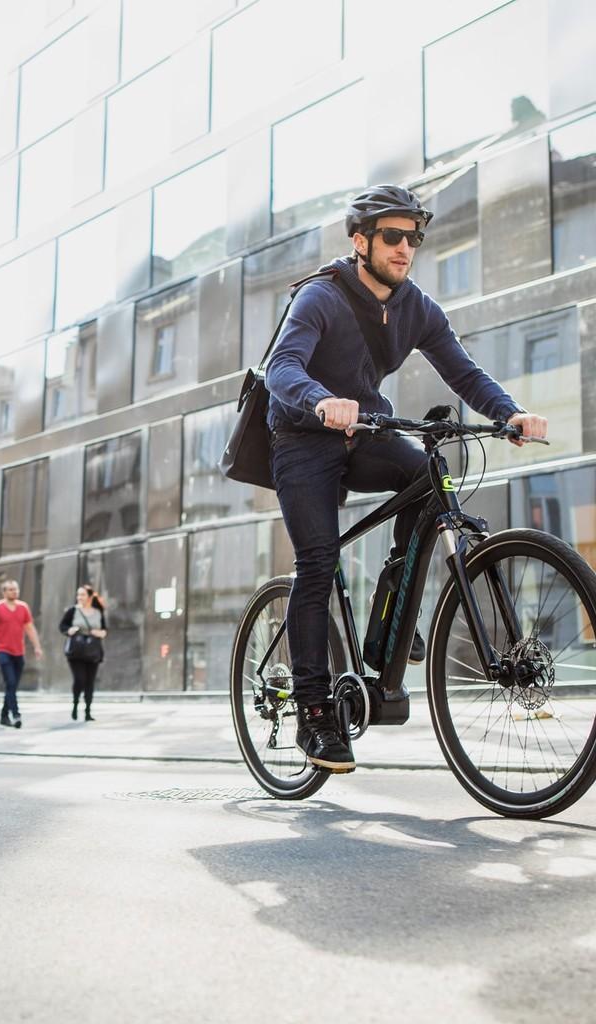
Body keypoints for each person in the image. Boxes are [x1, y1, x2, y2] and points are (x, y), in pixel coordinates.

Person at [265, 183, 547, 774]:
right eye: (392, 236)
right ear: (361, 240)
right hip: (303, 438)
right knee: (316, 563)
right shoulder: (320, 296)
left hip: (364, 431)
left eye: (413, 238)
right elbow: (281, 368)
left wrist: (508, 414)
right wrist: (321, 400)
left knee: (429, 480)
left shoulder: (416, 306)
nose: (405, 248)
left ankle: (388, 621)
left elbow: (462, 371)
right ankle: (314, 714)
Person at [0, 580, 42, 728]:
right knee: (10, 682)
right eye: (10, 590)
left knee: (12, 686)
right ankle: (16, 714)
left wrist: (37, 647)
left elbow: (29, 628)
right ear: (4, 592)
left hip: (18, 652)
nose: (13, 592)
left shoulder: (23, 608)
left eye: (15, 589)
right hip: (2, 651)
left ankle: (3, 716)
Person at [59, 585, 107, 722]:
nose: (79, 597)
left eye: (83, 595)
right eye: (78, 595)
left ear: (90, 597)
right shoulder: (72, 611)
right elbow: (62, 626)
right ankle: (75, 705)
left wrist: (99, 633)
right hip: (76, 651)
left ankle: (87, 711)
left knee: (90, 681)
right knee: (79, 679)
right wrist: (70, 630)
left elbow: (104, 630)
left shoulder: (98, 612)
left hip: (93, 651)